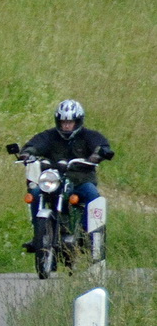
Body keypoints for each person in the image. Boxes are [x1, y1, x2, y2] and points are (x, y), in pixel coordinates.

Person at [20, 99, 114, 251]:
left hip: (81, 181)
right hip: (55, 181)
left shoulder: (88, 136)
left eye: (70, 122)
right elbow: (35, 145)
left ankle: (87, 236)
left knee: (93, 197)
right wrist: (27, 154)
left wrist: (97, 155)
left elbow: (101, 146)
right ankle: (39, 235)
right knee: (36, 193)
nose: (66, 125)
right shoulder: (50, 135)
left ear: (78, 122)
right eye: (63, 122)